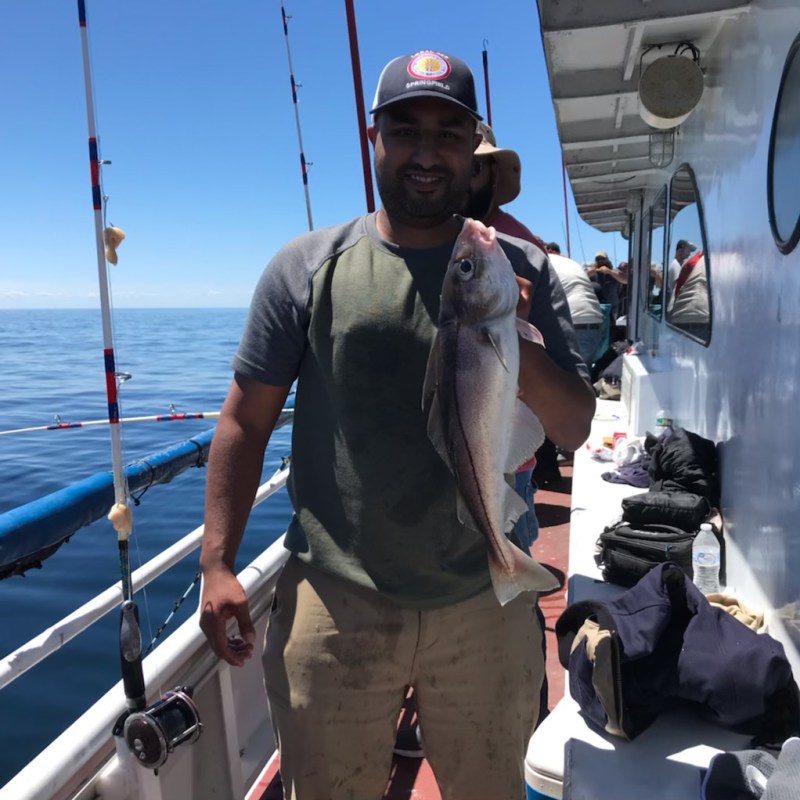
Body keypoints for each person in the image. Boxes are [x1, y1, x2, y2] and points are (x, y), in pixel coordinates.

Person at [199, 49, 594, 800]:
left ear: (473, 149)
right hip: (336, 594)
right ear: (372, 137)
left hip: (485, 594)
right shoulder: (305, 268)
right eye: (405, 130)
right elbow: (244, 422)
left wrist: (512, 328)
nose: (425, 152)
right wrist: (218, 562)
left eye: (448, 134)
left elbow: (573, 428)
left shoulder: (521, 269)